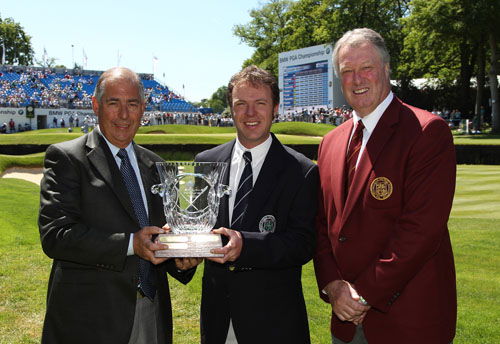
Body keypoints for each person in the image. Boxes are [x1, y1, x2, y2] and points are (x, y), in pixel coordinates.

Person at [313, 28, 457, 344]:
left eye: (366, 68)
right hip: (345, 321)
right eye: (347, 71)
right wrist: (334, 287)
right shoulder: (330, 143)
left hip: (408, 321)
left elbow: (420, 231)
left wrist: (363, 294)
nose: (357, 79)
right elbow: (322, 226)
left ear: (386, 70)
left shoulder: (425, 132)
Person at [38, 67, 195, 344]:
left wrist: (182, 259)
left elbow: (162, 235)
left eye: (132, 104)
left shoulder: (154, 164)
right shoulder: (67, 158)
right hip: (89, 319)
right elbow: (56, 237)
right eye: (114, 103)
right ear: (96, 105)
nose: (124, 115)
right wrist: (131, 244)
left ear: (143, 109)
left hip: (150, 312)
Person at [194, 65, 318, 343]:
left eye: (260, 103)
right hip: (218, 318)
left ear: (275, 107)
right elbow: (196, 225)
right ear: (231, 109)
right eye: (241, 104)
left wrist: (246, 245)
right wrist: (182, 256)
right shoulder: (206, 162)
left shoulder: (301, 170)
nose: (250, 113)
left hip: (273, 323)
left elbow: (303, 243)